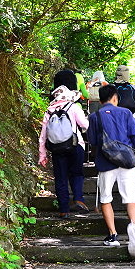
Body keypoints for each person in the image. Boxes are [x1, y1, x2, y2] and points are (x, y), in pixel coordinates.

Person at [88, 84, 135, 257]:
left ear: (100, 100)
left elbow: (92, 140)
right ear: (115, 98)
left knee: (106, 198)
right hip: (127, 161)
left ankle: (113, 235)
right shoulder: (126, 113)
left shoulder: (94, 117)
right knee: (131, 197)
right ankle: (133, 227)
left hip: (105, 161)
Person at [38, 85, 90, 218]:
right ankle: (78, 198)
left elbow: (43, 136)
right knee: (76, 173)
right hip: (75, 145)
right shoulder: (73, 107)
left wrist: (42, 155)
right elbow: (85, 125)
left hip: (57, 148)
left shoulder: (49, 111)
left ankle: (64, 209)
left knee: (60, 178)